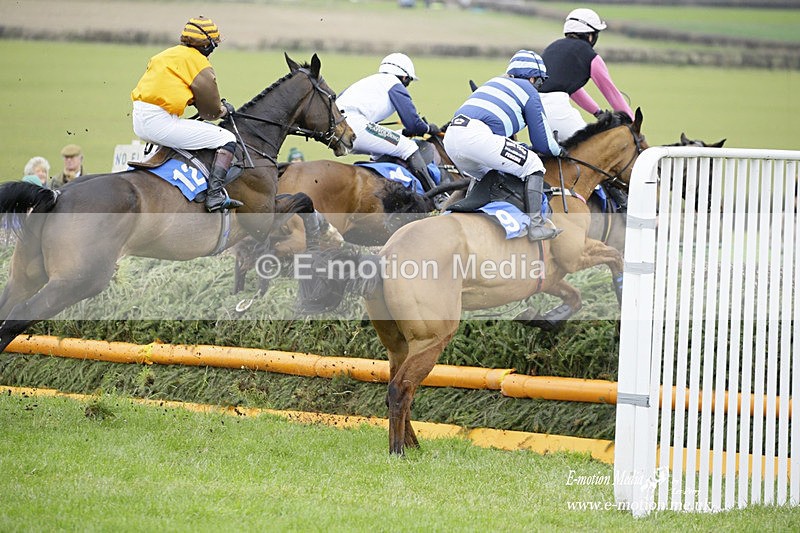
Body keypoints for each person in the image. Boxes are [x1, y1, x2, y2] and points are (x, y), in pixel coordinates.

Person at [443, 50, 563, 241]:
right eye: (540, 81)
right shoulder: (528, 90)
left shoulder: (494, 82)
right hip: (475, 136)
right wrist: (560, 150)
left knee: (490, 174)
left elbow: (499, 141)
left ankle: (466, 210)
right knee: (533, 164)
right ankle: (536, 226)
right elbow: (543, 143)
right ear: (533, 78)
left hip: (451, 137)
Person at [130, 15, 240, 212]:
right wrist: (224, 109)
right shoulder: (198, 63)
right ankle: (214, 195)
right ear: (207, 45)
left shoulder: (165, 54)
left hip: (140, 119)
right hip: (161, 123)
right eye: (213, 44)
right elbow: (210, 112)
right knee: (227, 139)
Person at [337, 53, 440, 192]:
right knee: (409, 148)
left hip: (341, 128)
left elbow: (377, 132)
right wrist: (428, 128)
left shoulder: (370, 82)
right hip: (354, 125)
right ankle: (435, 194)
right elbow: (413, 123)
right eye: (408, 81)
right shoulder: (394, 84)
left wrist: (403, 132)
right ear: (404, 77)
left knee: (380, 152)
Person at [538, 8, 634, 141]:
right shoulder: (590, 56)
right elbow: (612, 93)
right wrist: (633, 122)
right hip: (556, 110)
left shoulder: (553, 47)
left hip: (534, 109)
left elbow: (574, 91)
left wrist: (597, 112)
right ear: (590, 35)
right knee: (593, 147)